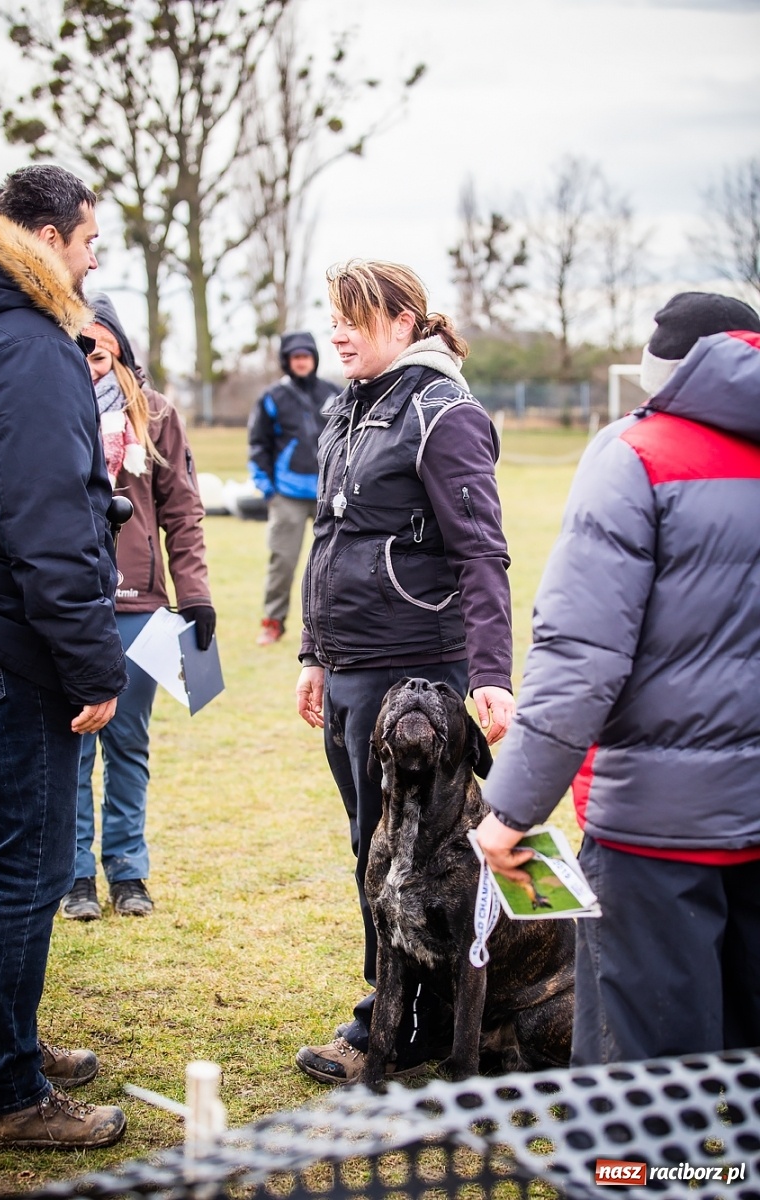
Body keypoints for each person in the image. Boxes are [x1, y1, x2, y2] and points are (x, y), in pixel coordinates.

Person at [475, 292, 760, 1065]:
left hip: (657, 831)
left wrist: (510, 808)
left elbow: (580, 653)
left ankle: (636, 1183)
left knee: (637, 1091)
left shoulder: (636, 451)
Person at [294, 259, 515, 1084]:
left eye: (355, 315)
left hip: (417, 672)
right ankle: (399, 1014)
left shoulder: (442, 412)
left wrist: (490, 672)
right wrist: (315, 655)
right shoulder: (347, 408)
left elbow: (482, 553)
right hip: (351, 668)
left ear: (405, 320)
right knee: (373, 849)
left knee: (420, 859)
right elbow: (329, 538)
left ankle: (403, 1027)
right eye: (334, 314)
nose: (339, 331)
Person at [0, 165, 128, 1148]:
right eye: (88, 240)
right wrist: (91, 664)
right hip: (7, 643)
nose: (94, 257)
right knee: (27, 866)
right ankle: (7, 1095)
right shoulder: (26, 342)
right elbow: (46, 520)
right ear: (46, 236)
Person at [61, 294, 215, 921]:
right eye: (80, 340)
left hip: (140, 606)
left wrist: (196, 595)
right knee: (71, 747)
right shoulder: (50, 404)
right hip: (69, 602)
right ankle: (73, 878)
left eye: (100, 340)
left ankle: (128, 873)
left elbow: (182, 511)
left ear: (121, 345)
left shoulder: (155, 416)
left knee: (128, 744)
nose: (91, 351)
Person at [248, 331, 339, 645]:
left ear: (314, 358)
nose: (301, 361)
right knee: (283, 561)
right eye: (295, 357)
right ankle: (272, 622)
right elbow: (257, 445)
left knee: (337, 562)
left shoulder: (335, 393)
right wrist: (267, 490)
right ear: (287, 361)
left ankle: (335, 625)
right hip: (287, 494)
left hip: (329, 493)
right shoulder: (273, 397)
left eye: (306, 355)